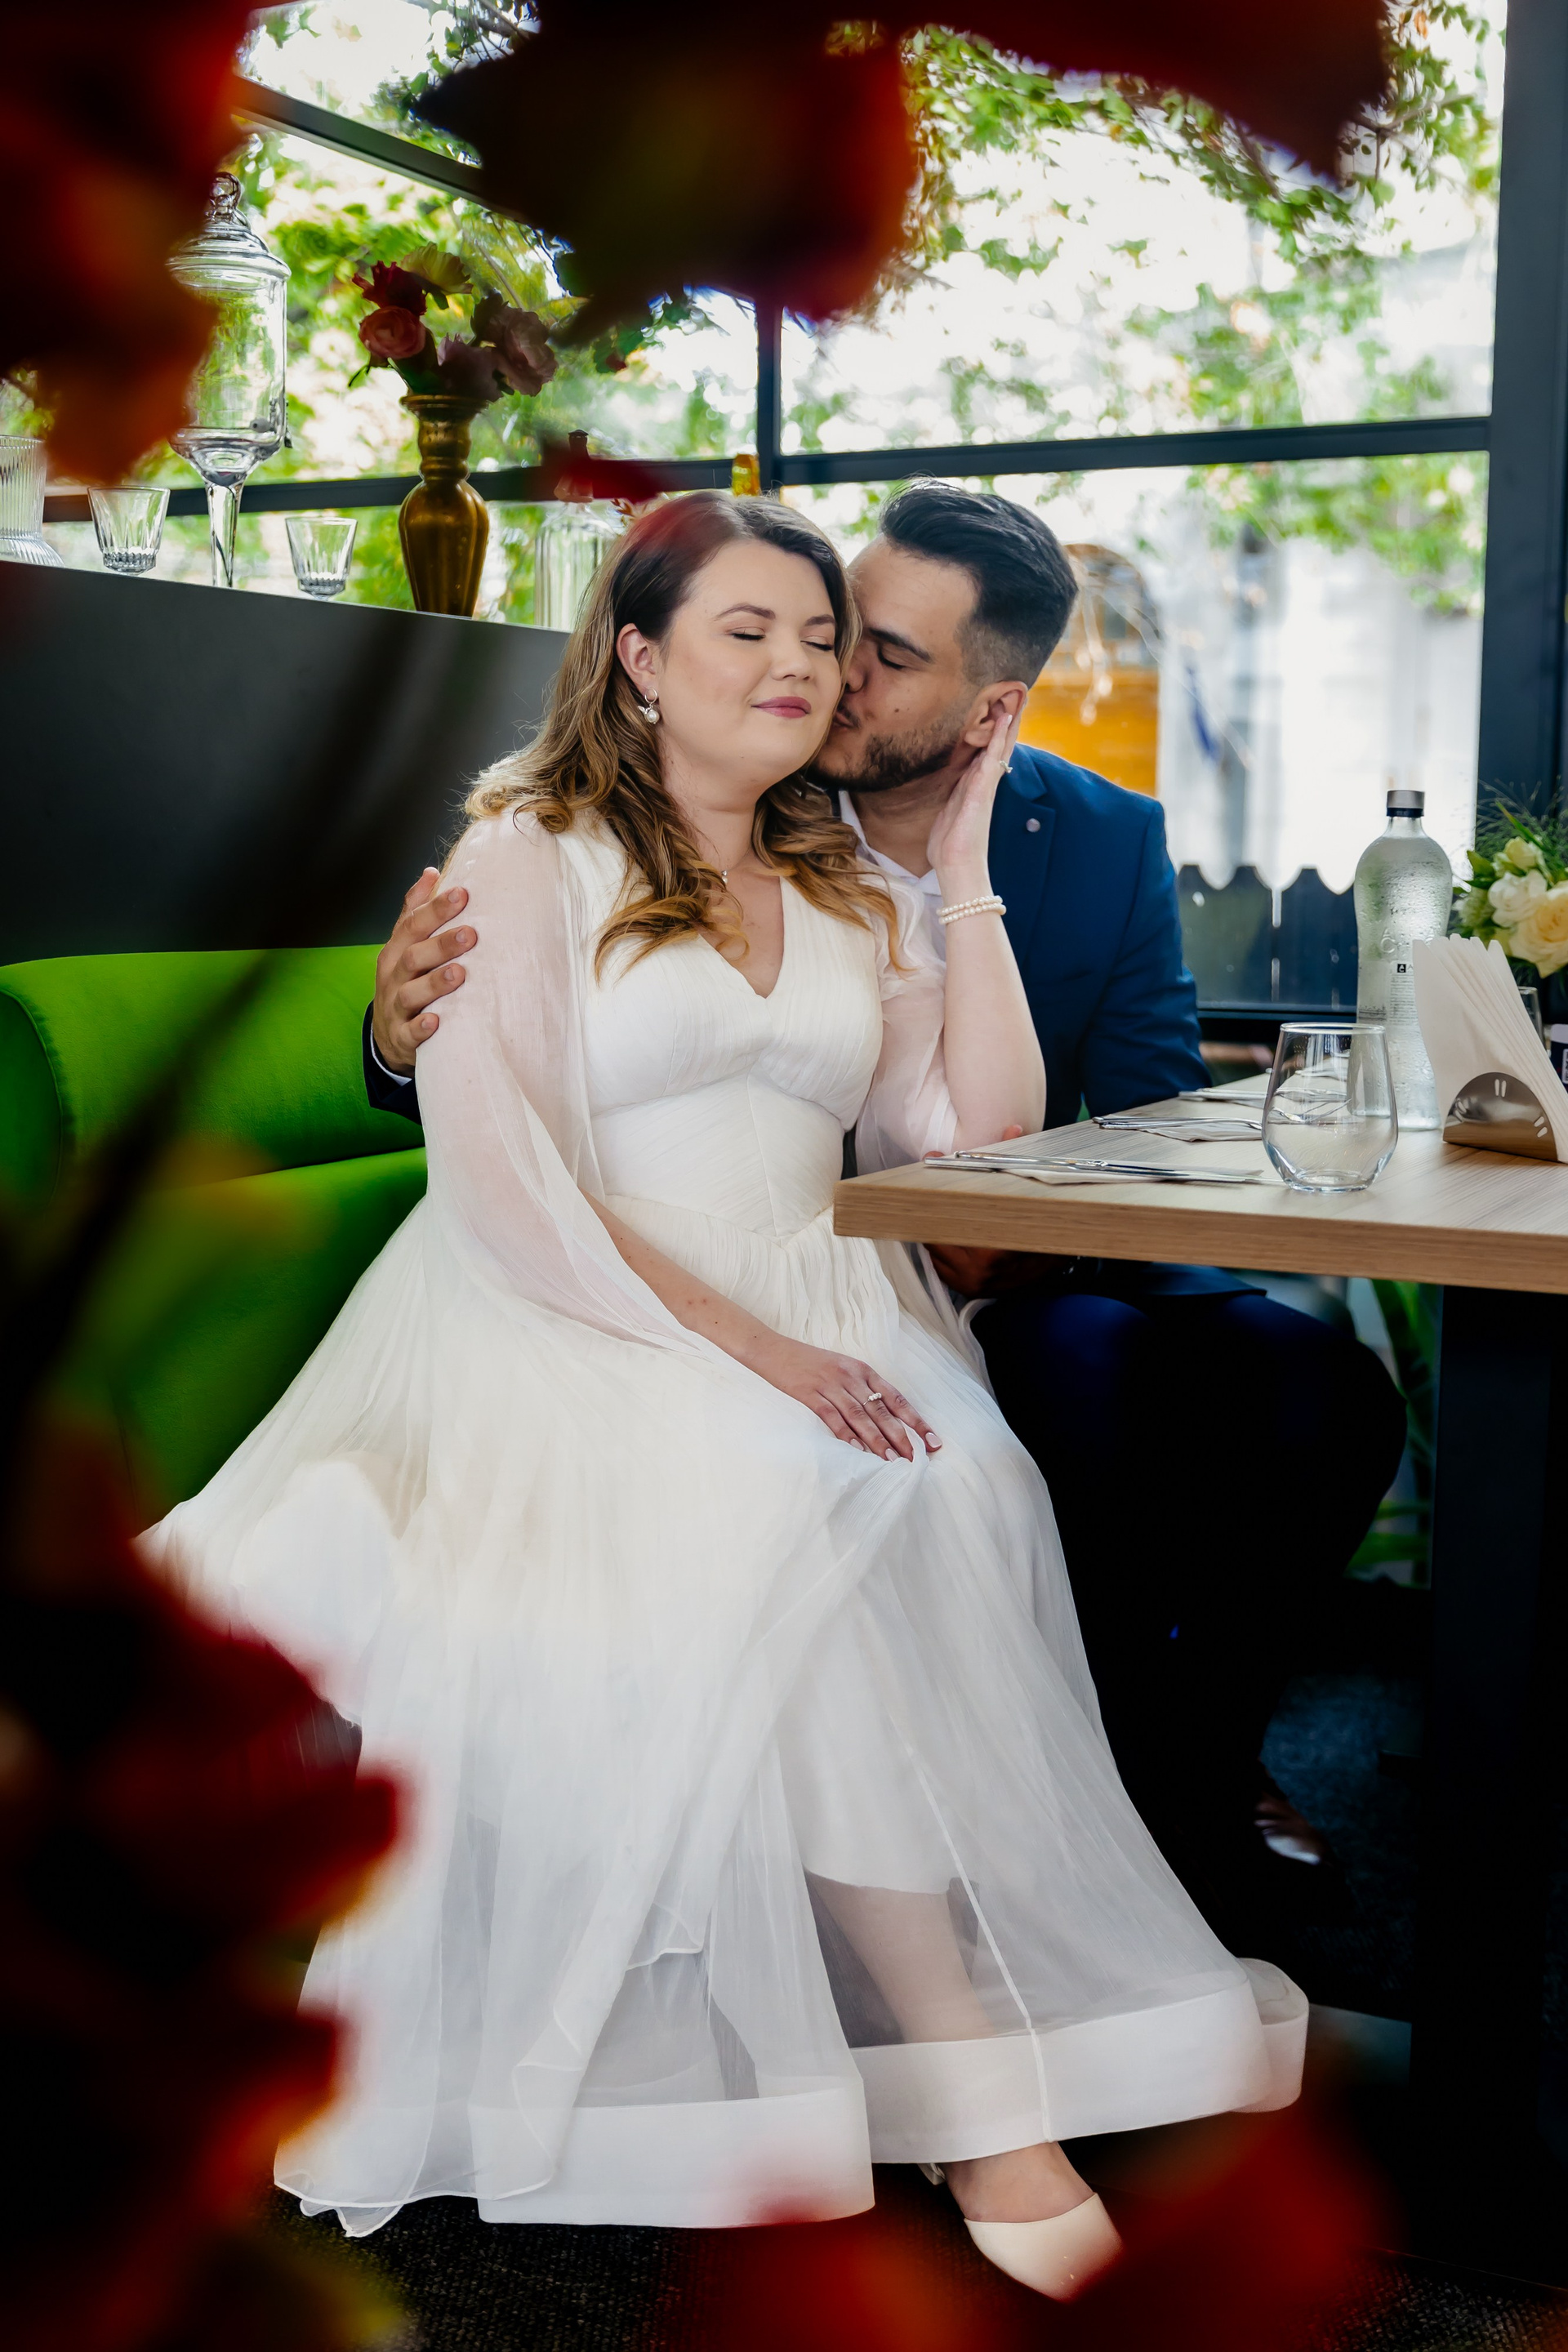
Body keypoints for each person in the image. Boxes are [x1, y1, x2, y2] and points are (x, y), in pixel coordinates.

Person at [146, 493, 1304, 2291]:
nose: (798, 665)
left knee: (959, 1482)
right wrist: (759, 1357)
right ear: (638, 656)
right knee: (793, 1493)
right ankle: (984, 2109)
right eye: (747, 630)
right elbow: (509, 1178)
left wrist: (964, 859)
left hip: (828, 1300)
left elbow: (968, 1140)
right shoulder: (525, 853)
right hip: (566, 1304)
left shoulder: (846, 878)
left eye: (821, 638)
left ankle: (937, 2049)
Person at [368, 483, 1407, 1940]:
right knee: (1067, 1397)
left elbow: (1142, 1100)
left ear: (992, 707)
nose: (829, 671)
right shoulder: (705, 788)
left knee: (1330, 1396)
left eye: (878, 653)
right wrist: (396, 1036)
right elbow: (524, 1066)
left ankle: (1197, 1762)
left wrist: (1007, 1225)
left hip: (1031, 1248)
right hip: (793, 1263)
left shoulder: (1091, 836)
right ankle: (1066, 1805)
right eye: (824, 628)